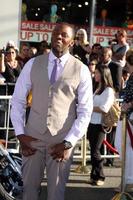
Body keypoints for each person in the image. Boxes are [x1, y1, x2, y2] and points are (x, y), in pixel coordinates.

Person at [10, 23, 93, 200]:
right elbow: (17, 101)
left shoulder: (82, 70)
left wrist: (69, 142)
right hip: (32, 139)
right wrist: (20, 135)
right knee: (29, 192)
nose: (59, 37)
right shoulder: (32, 64)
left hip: (61, 140)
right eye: (55, 34)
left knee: (56, 194)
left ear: (72, 42)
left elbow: (85, 111)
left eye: (64, 35)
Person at [87, 64, 115, 186]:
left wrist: (90, 108)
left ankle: (100, 176)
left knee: (96, 151)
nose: (95, 75)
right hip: (92, 123)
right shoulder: (98, 88)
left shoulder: (109, 90)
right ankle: (94, 175)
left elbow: (105, 108)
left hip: (100, 124)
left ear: (103, 74)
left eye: (97, 73)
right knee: (93, 150)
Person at [115, 48, 133, 191]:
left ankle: (128, 182)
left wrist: (129, 105)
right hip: (127, 117)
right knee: (123, 148)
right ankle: (127, 181)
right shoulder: (131, 77)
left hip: (130, 117)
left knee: (129, 150)